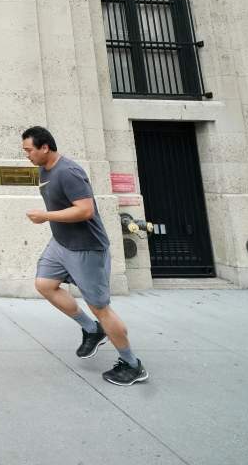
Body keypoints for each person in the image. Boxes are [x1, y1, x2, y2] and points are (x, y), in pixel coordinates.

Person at [21, 125, 148, 386]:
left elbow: (85, 210)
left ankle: (132, 364)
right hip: (61, 243)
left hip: (86, 248)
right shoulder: (44, 169)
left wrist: (45, 216)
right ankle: (92, 330)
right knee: (45, 284)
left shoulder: (69, 172)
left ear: (45, 147)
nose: (27, 155)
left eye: (29, 150)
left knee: (100, 307)